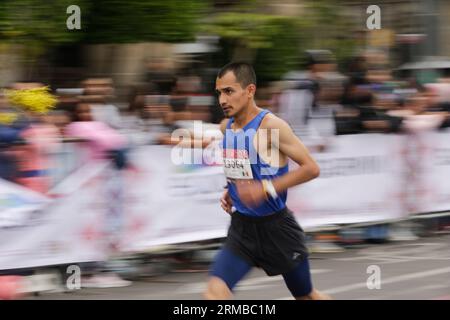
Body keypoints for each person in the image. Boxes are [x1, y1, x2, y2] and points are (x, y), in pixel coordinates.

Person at [203, 62, 330, 300]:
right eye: (219, 92)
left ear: (249, 91)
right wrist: (231, 189)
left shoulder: (272, 126)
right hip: (242, 229)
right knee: (214, 294)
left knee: (306, 297)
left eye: (229, 91)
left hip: (277, 230)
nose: (222, 99)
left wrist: (265, 188)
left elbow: (311, 168)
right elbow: (243, 165)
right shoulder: (227, 127)